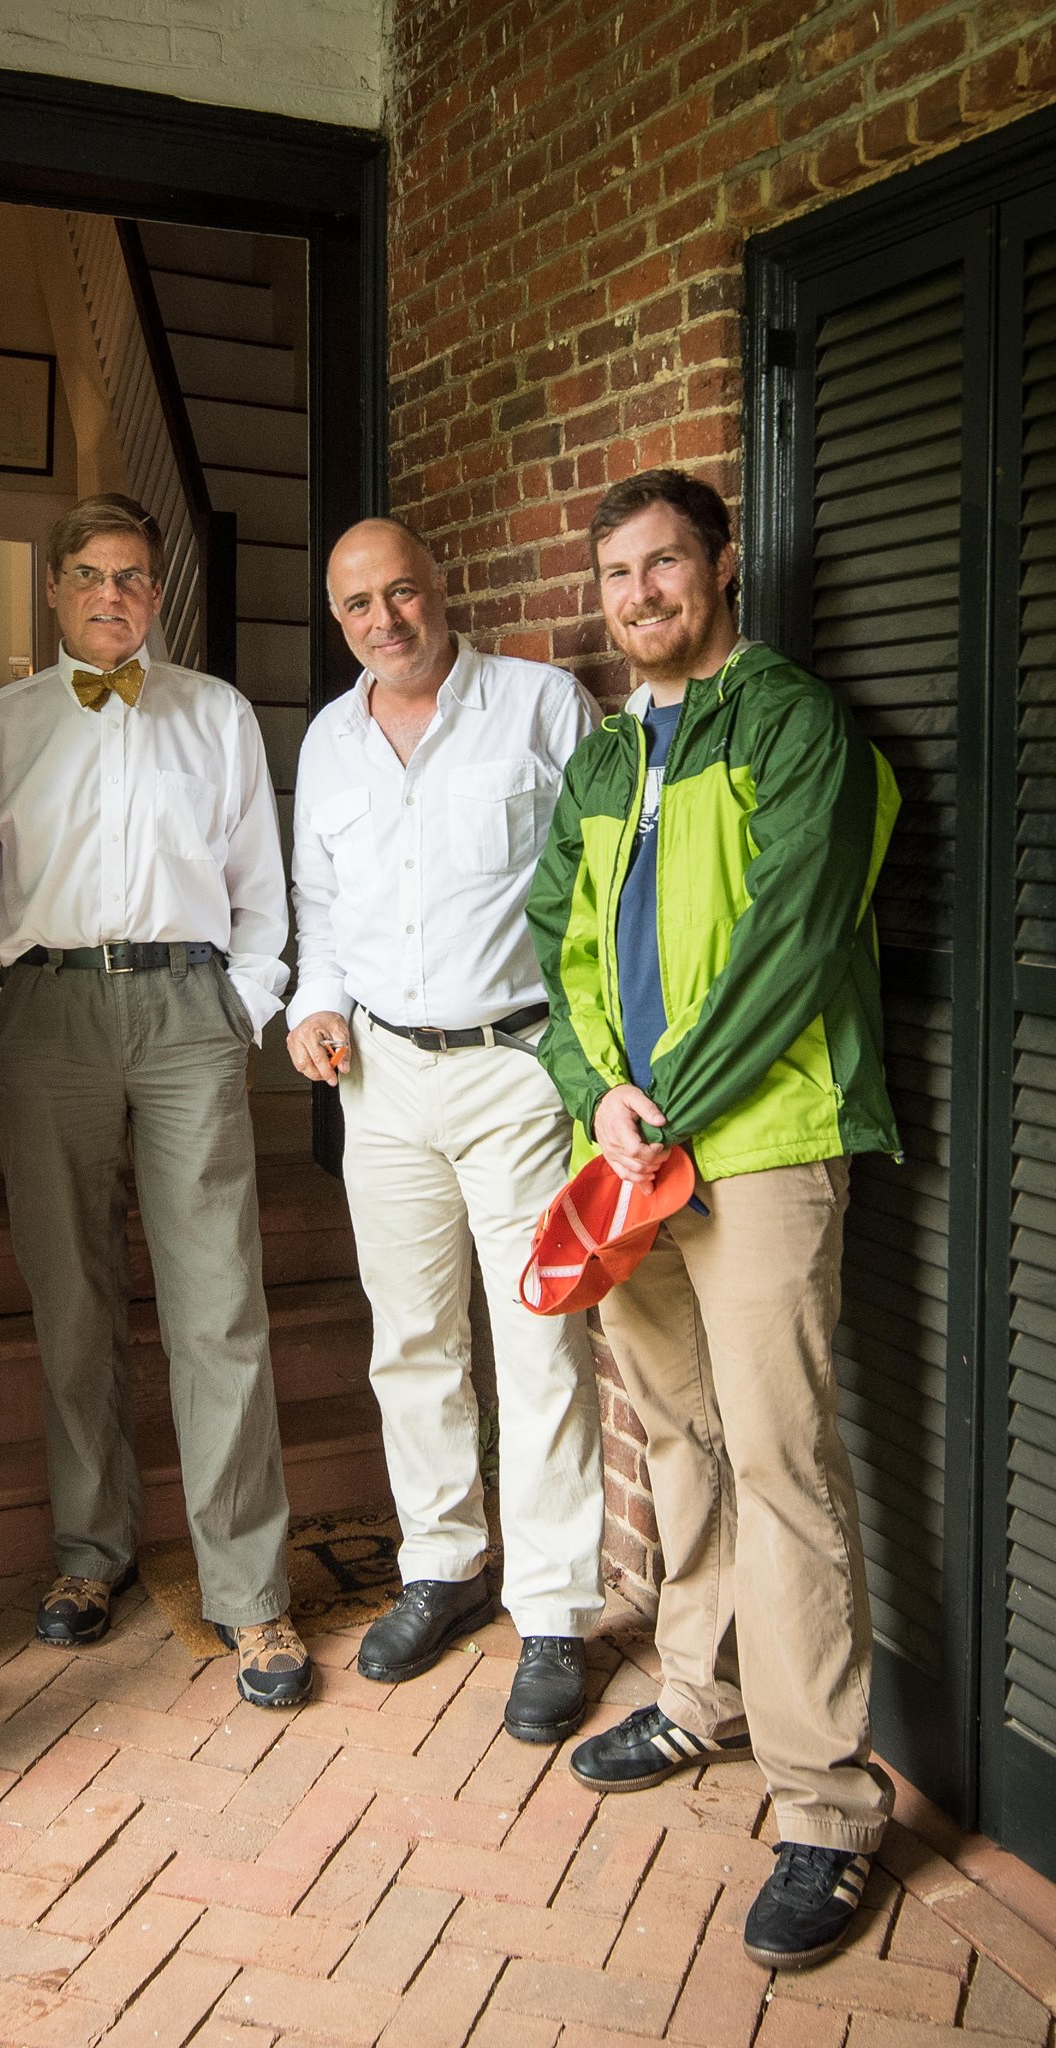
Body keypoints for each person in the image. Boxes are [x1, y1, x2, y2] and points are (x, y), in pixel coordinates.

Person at [526, 468, 902, 1970]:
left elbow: (791, 947)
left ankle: (824, 1807)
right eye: (616, 575)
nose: (638, 596)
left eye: (662, 565)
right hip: (628, 1156)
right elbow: (552, 950)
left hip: (756, 1145)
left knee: (780, 1456)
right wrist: (592, 1091)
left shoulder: (792, 725)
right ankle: (699, 1698)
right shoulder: (605, 757)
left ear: (719, 568)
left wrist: (657, 1102)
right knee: (674, 1436)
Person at [0, 492, 310, 1710]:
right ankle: (91, 1554)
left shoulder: (216, 716)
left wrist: (243, 1003)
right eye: (93, 575)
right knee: (73, 1296)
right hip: (48, 1016)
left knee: (220, 1301)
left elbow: (262, 882)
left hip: (187, 1013)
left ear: (159, 595)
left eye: (137, 577)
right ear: (54, 590)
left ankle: (249, 1590)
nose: (115, 593)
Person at [287, 517, 605, 1743]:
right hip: (379, 1079)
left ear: (441, 586)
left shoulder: (540, 706)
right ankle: (445, 1563)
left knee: (538, 1345)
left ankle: (558, 1609)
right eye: (358, 605)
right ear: (341, 619)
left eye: (401, 592)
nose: (384, 621)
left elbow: (595, 889)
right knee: (411, 1338)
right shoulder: (328, 739)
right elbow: (318, 904)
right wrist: (315, 1003)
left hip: (516, 1069)